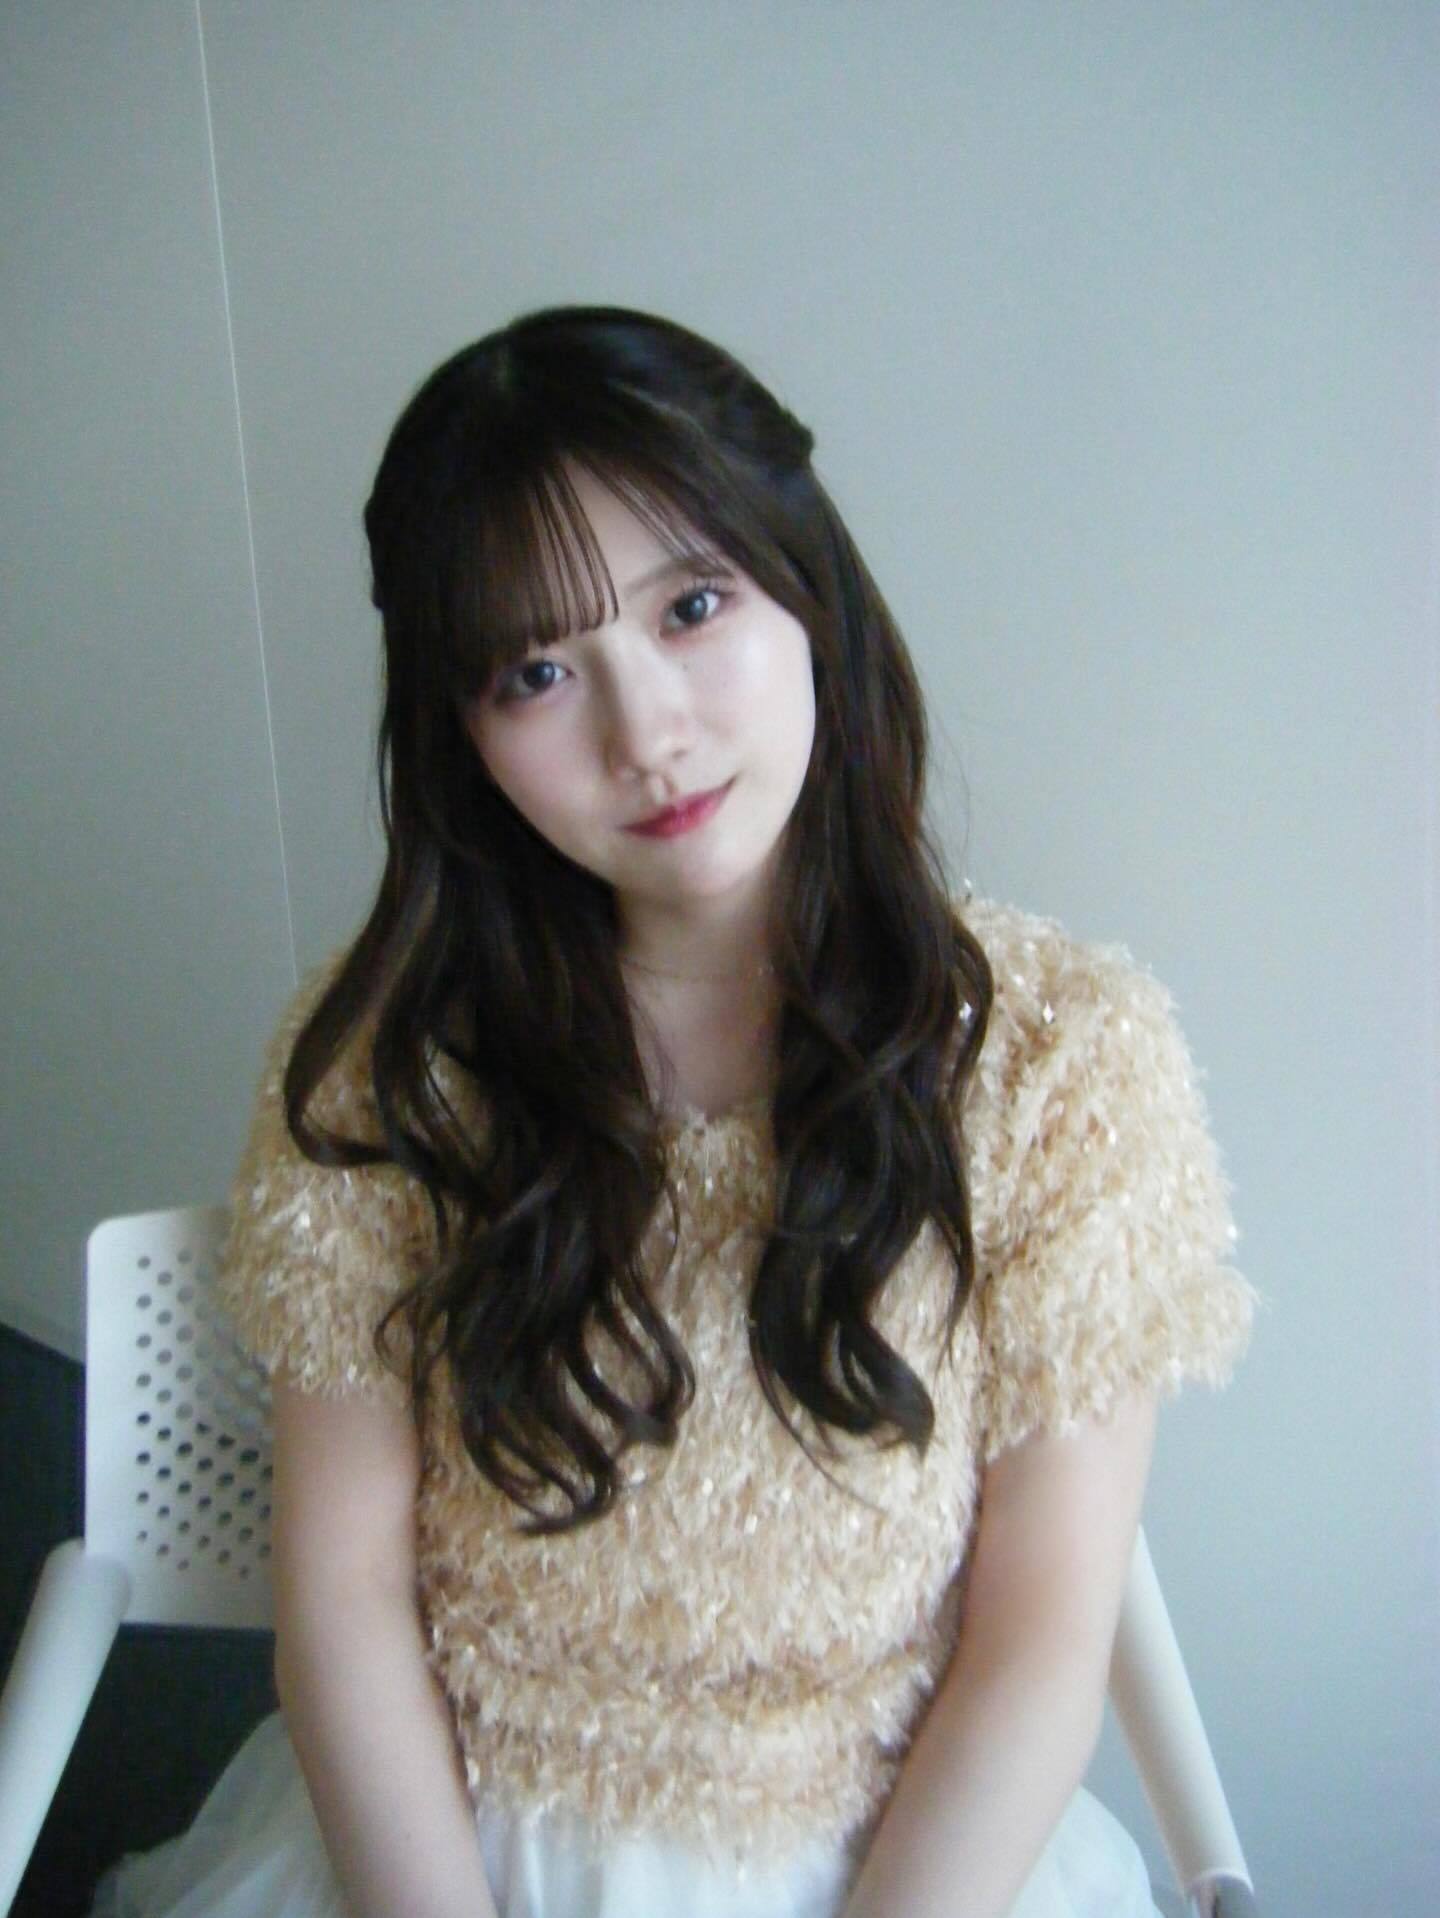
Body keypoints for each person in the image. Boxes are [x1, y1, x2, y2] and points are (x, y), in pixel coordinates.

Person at [91, 304, 1256, 1918]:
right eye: (538, 671)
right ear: (462, 734)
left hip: (905, 1859)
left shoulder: (1061, 1058)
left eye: (693, 606)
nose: (647, 734)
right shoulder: (389, 1064)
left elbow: (1040, 1641)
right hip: (456, 1848)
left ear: (807, 590)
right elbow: (344, 1607)